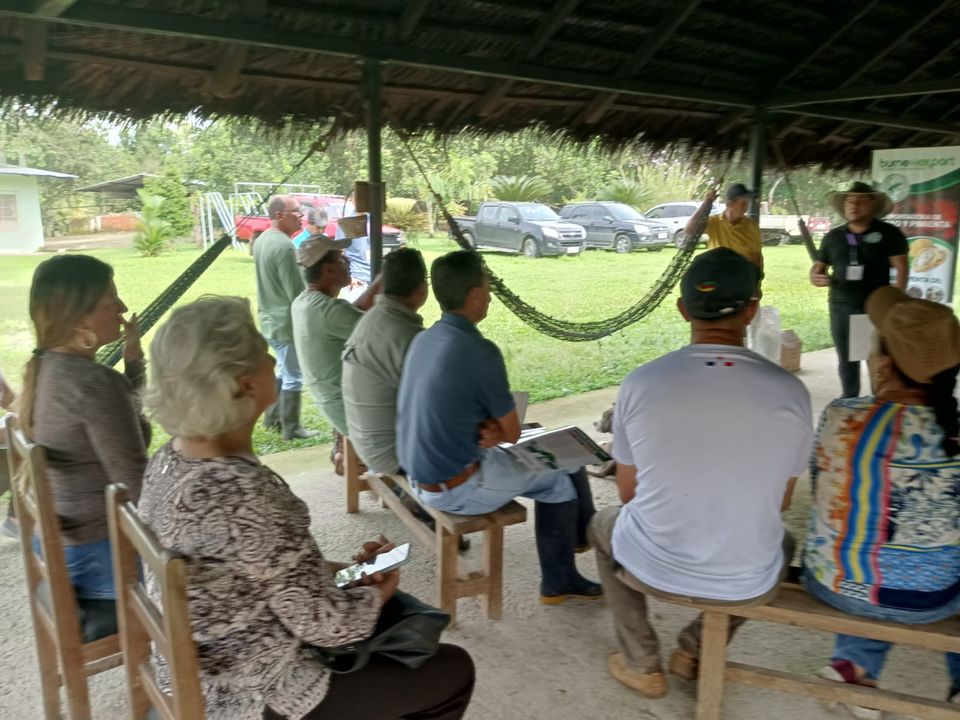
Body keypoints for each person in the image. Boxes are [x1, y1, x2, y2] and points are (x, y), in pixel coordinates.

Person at [141, 296, 474, 720]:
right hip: (250, 695)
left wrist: (347, 574)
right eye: (264, 352)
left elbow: (258, 575)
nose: (272, 361)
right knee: (453, 669)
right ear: (244, 384)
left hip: (196, 672)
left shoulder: (169, 460)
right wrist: (379, 591)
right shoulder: (248, 494)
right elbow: (332, 627)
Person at [589, 248, 813, 698]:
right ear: (752, 310)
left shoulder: (642, 383)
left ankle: (641, 662)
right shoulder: (791, 392)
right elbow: (781, 501)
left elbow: (629, 494)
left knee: (601, 525)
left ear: (683, 309)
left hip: (651, 567)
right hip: (744, 582)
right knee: (783, 542)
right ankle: (693, 649)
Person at [396, 250, 601, 604]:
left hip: (421, 475)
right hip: (457, 488)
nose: (491, 294)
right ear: (475, 295)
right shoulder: (479, 350)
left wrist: (494, 429)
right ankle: (560, 579)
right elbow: (512, 432)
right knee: (559, 480)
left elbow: (453, 408)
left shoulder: (424, 339)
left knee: (559, 454)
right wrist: (500, 429)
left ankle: (581, 537)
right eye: (488, 286)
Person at [803, 286, 960, 719]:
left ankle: (855, 665)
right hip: (934, 597)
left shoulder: (842, 416)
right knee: (918, 567)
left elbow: (821, 490)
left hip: (838, 585)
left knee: (869, 553)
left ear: (884, 366)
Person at [18, 254, 148, 599]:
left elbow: (131, 430)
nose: (122, 308)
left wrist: (133, 365)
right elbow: (137, 485)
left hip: (62, 548)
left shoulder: (47, 366)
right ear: (77, 316)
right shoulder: (94, 383)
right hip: (99, 555)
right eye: (111, 301)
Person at [291, 235, 381, 473]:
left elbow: (353, 311)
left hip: (332, 401)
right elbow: (381, 330)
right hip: (349, 408)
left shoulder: (304, 302)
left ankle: (344, 450)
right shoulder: (328, 311)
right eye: (342, 259)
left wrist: (379, 282)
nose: (348, 262)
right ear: (329, 270)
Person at [810, 181, 908, 398]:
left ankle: (879, 403)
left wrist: (896, 301)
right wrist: (816, 277)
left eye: (860, 201)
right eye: (849, 201)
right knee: (846, 360)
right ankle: (849, 401)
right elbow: (817, 269)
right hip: (841, 306)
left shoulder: (889, 233)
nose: (853, 205)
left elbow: (901, 267)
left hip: (874, 308)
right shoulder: (833, 237)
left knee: (876, 360)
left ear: (873, 205)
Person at [342, 247, 428, 474]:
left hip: (365, 442)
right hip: (392, 455)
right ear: (422, 289)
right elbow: (435, 405)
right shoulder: (408, 336)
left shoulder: (372, 318)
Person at [253, 194, 316, 440]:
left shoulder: (262, 240)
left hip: (269, 318)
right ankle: (292, 427)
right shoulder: (285, 246)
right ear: (279, 215)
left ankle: (272, 418)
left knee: (282, 368)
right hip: (286, 321)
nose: (301, 216)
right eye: (296, 211)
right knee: (294, 375)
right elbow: (296, 292)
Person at [685, 183, 763, 269]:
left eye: (747, 203)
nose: (746, 207)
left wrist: (758, 274)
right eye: (743, 203)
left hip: (742, 275)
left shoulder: (751, 226)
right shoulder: (714, 222)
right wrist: (707, 202)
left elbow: (757, 257)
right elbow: (689, 230)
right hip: (718, 274)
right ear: (730, 204)